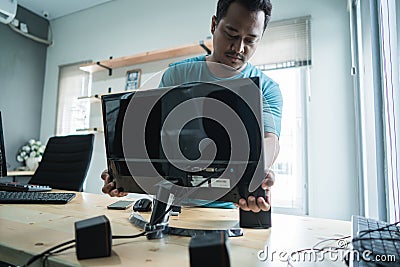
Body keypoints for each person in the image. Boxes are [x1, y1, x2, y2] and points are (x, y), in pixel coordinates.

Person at [102, 0, 282, 213]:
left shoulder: (267, 89)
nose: (239, 48)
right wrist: (123, 172)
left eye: (251, 40)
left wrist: (261, 171)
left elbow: (270, 140)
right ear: (214, 25)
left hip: (228, 209)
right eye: (232, 34)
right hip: (176, 205)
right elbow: (153, 137)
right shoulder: (177, 75)